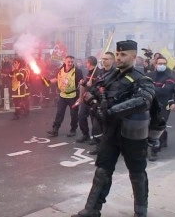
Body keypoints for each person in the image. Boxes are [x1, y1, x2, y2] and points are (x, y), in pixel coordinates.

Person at [71, 40, 155, 217]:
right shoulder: (109, 76)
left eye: (123, 55)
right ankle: (92, 209)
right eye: (117, 54)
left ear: (133, 56)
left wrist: (110, 111)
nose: (119, 57)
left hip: (133, 132)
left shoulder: (141, 78)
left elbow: (144, 99)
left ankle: (141, 212)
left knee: (137, 173)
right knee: (102, 170)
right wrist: (95, 103)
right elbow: (90, 92)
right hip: (111, 131)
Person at [146, 56, 175, 161]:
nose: (162, 65)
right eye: (160, 63)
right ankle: (161, 140)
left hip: (164, 105)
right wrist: (159, 88)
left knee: (158, 125)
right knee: (147, 126)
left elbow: (168, 91)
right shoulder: (149, 75)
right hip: (149, 104)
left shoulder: (169, 77)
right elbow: (142, 86)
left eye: (164, 64)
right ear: (155, 64)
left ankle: (154, 151)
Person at [46, 55, 84, 137]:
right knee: (59, 113)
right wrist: (48, 82)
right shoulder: (60, 69)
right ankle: (55, 129)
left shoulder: (77, 71)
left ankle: (73, 129)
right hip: (62, 96)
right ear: (65, 61)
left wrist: (80, 97)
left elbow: (81, 84)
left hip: (73, 96)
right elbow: (57, 78)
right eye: (68, 61)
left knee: (73, 114)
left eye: (72, 62)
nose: (70, 63)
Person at [87, 51, 115, 155]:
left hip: (110, 105)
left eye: (106, 59)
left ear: (112, 60)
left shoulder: (116, 74)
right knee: (96, 128)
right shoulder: (100, 73)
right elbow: (95, 88)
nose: (103, 61)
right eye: (103, 59)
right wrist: (93, 95)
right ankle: (99, 147)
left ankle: (111, 148)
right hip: (98, 104)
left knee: (109, 129)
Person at [76, 56, 101, 143]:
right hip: (86, 99)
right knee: (81, 116)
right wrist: (80, 97)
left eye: (86, 62)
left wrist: (92, 85)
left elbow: (100, 86)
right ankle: (85, 134)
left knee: (93, 119)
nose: (85, 64)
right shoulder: (88, 73)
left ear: (89, 63)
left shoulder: (99, 72)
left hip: (94, 100)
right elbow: (84, 85)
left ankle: (95, 137)